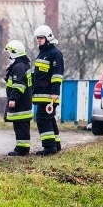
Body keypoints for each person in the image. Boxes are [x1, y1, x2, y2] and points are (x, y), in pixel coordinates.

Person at [32, 25, 64, 156]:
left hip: (49, 96)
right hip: (41, 95)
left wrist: (55, 93)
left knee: (42, 119)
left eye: (41, 38)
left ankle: (49, 147)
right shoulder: (43, 53)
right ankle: (55, 145)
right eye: (37, 38)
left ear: (48, 38)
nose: (38, 40)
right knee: (49, 119)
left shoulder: (55, 54)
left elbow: (57, 75)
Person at [3, 40, 33, 156]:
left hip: (20, 103)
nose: (9, 55)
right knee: (22, 126)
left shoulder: (19, 67)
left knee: (20, 127)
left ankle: (22, 149)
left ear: (15, 53)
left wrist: (13, 99)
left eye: (10, 52)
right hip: (25, 102)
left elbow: (19, 85)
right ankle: (21, 147)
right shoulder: (23, 65)